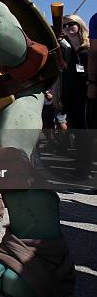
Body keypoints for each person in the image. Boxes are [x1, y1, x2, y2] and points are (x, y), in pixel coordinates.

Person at [60, 15, 90, 178]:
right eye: (64, 25)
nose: (68, 27)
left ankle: (85, 170)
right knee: (79, 136)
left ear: (79, 25)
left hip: (88, 99)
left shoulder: (88, 49)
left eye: (71, 24)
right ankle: (82, 170)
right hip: (72, 99)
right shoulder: (69, 53)